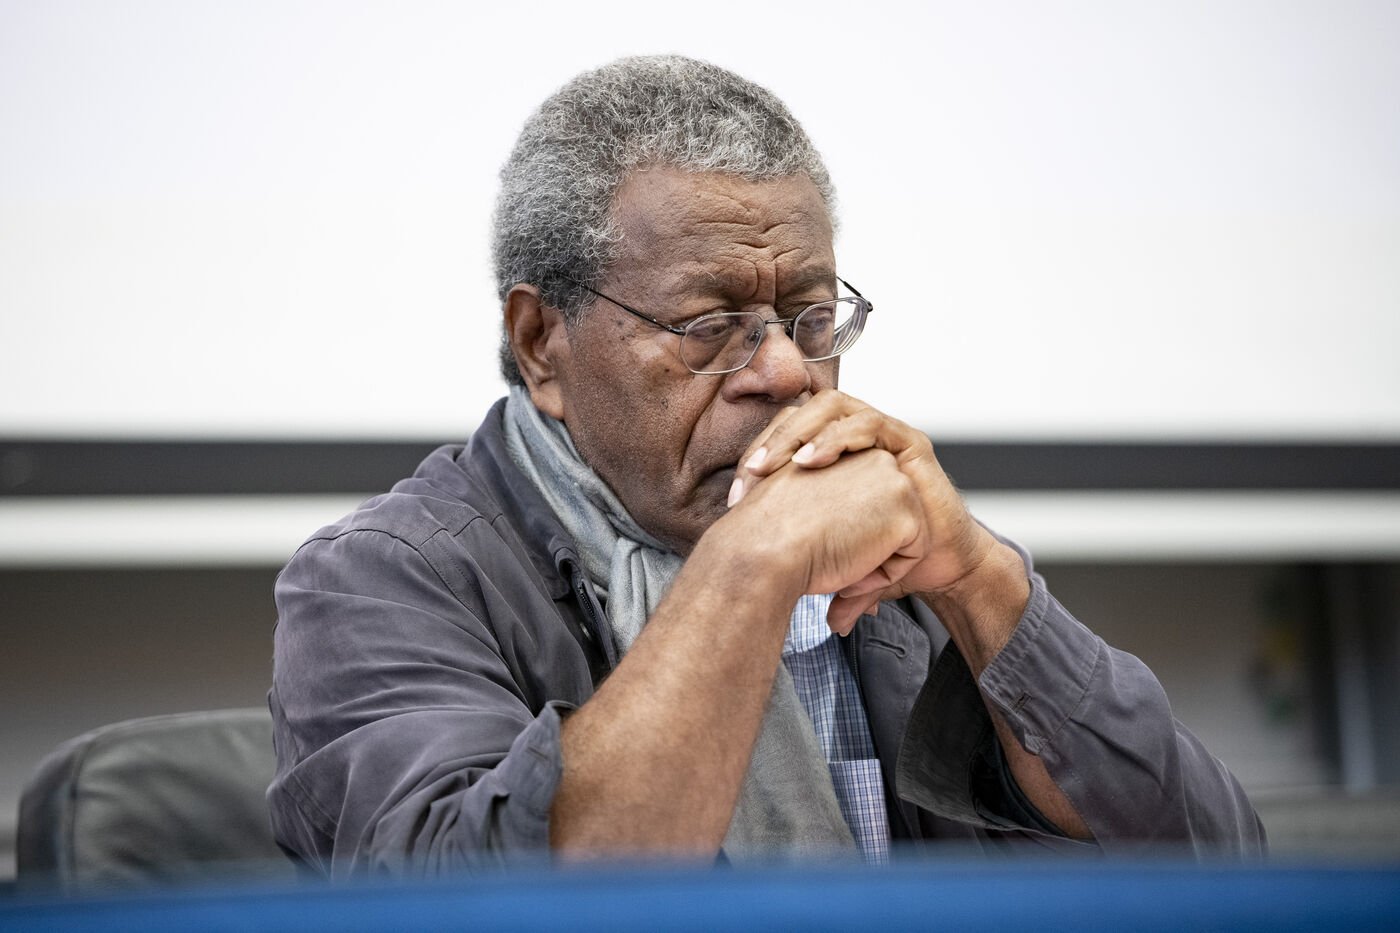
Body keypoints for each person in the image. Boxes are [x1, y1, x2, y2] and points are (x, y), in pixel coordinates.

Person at [268, 55, 1264, 877]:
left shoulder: (894, 547)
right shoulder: (380, 580)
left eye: (812, 318)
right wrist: (749, 566)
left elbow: (1223, 871)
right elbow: (479, 909)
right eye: (710, 325)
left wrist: (981, 580)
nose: (788, 372)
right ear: (541, 343)